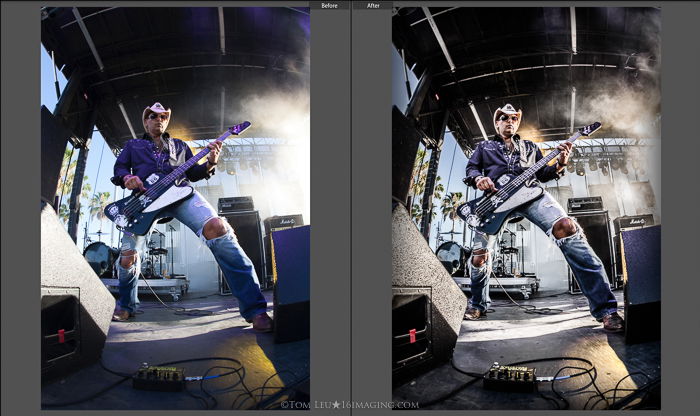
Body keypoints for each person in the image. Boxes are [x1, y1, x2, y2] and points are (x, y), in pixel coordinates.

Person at [109, 102, 272, 332]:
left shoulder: (179, 146)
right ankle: (126, 304)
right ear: (145, 121)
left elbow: (194, 174)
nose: (159, 119)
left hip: (181, 195)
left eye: (163, 116)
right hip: (144, 202)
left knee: (218, 227)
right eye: (153, 116)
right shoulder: (133, 145)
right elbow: (119, 170)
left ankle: (255, 308)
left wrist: (212, 160)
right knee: (128, 257)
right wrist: (127, 178)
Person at [462, 103, 624, 332]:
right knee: (479, 257)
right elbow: (471, 170)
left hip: (531, 196)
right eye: (504, 118)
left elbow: (546, 174)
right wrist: (479, 179)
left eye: (514, 118)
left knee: (567, 227)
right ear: (497, 122)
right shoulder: (484, 147)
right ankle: (478, 304)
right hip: (494, 202)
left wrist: (561, 161)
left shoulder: (529, 147)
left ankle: (606, 309)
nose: (510, 121)